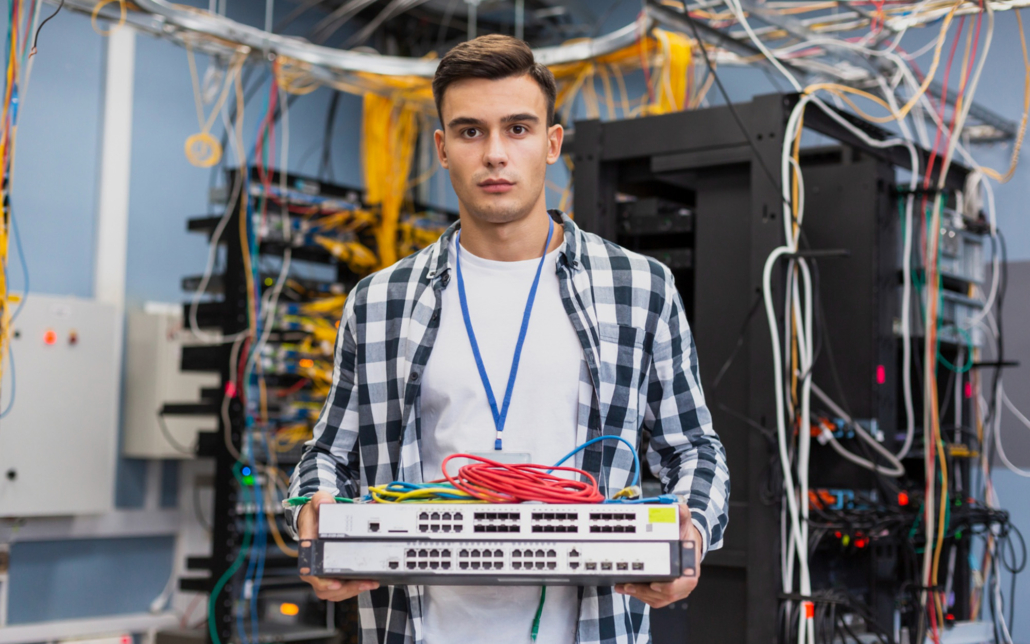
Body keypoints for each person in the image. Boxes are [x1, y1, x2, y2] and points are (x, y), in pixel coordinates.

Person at [288, 33, 730, 644]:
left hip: (592, 628)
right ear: (442, 149)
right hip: (416, 628)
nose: (495, 154)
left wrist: (692, 535)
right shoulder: (380, 301)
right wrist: (312, 514)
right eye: (470, 132)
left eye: (517, 129)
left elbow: (694, 450)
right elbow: (328, 456)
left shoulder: (638, 287)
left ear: (551, 144)